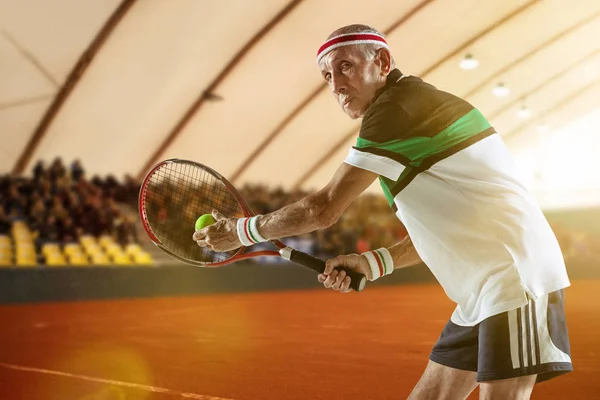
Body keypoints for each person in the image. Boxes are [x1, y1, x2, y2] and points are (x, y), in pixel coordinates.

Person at [193, 24, 572, 399]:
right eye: (327, 76)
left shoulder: (398, 109)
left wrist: (244, 231)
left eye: (344, 67)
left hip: (516, 278)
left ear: (383, 62)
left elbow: (324, 208)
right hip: (483, 290)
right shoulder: (405, 113)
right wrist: (372, 263)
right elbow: (439, 233)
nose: (336, 85)